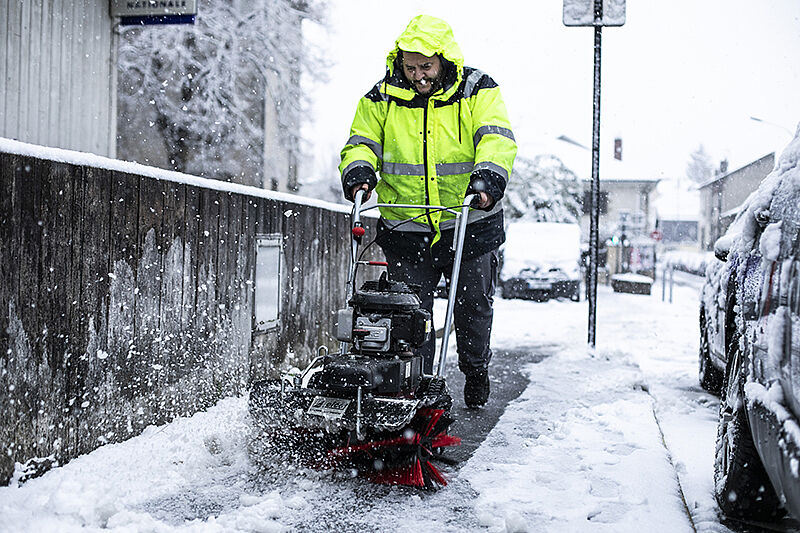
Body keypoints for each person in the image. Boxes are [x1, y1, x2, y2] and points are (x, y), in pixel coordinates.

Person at [339, 14, 517, 408]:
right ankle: (414, 389)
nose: (418, 76)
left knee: (472, 308)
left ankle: (475, 368)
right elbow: (361, 141)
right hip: (407, 225)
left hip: (469, 222)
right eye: (410, 68)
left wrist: (487, 179)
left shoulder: (477, 89)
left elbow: (496, 138)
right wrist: (359, 171)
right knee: (409, 314)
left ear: (444, 59)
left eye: (426, 67)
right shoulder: (381, 98)